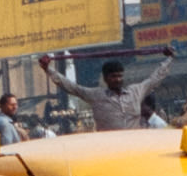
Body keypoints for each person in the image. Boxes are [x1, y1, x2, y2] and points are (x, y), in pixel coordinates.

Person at [37, 48, 175, 132]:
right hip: (109, 148)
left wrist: (169, 59)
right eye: (113, 76)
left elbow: (155, 78)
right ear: (106, 78)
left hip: (136, 146)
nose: (117, 79)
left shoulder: (136, 91)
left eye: (120, 76)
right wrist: (47, 69)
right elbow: (70, 87)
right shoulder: (96, 95)